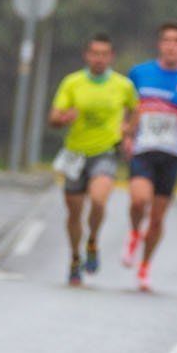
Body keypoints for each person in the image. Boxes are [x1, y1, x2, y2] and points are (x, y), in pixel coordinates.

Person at [122, 22, 177, 292]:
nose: (171, 46)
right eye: (167, 40)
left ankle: (145, 266)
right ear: (160, 45)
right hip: (143, 149)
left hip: (171, 154)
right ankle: (135, 233)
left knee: (158, 218)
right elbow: (124, 109)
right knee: (139, 200)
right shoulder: (139, 74)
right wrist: (125, 136)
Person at [48, 34, 138, 286]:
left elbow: (137, 109)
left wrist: (128, 131)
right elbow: (53, 116)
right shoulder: (72, 83)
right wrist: (63, 118)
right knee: (74, 213)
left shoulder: (122, 85)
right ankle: (75, 258)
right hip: (76, 154)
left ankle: (93, 240)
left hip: (106, 151)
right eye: (94, 53)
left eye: (104, 54)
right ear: (86, 56)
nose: (99, 58)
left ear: (111, 57)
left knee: (99, 199)